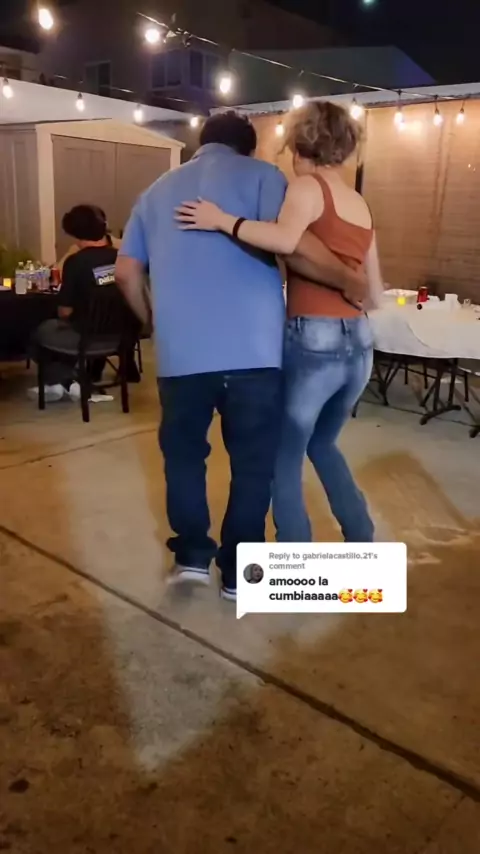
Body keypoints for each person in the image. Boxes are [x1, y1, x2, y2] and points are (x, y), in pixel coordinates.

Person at [116, 110, 369, 602]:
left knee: (184, 458)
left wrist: (152, 322)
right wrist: (349, 280)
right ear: (249, 148)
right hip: (255, 353)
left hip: (181, 355)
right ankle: (238, 575)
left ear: (201, 144)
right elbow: (297, 246)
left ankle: (192, 558)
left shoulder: (155, 192)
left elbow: (126, 273)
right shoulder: (264, 178)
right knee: (253, 465)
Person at [176, 101, 384, 544]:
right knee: (323, 444)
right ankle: (362, 538)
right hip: (360, 342)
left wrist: (220, 220)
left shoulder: (307, 188)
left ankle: (296, 561)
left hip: (315, 337)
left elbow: (285, 240)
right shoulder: (359, 203)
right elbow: (375, 292)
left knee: (283, 457)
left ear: (300, 143)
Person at [29, 204, 138, 402]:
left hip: (86, 338)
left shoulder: (76, 262)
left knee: (40, 332)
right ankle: (69, 381)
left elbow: (65, 311)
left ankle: (64, 381)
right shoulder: (121, 258)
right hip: (121, 337)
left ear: (74, 233)